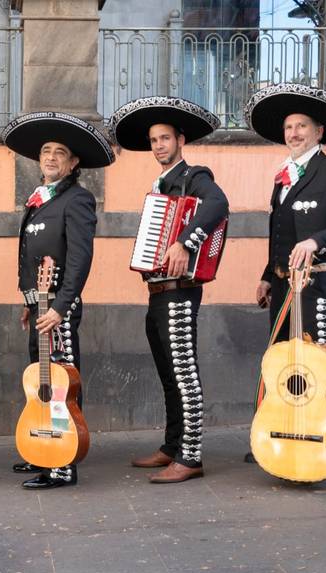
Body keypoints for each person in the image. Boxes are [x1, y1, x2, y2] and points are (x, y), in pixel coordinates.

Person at [109, 97, 230, 483]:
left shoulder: (195, 175)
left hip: (181, 290)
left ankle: (190, 456)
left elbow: (219, 204)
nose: (159, 145)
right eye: (153, 140)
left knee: (183, 373)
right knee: (167, 372)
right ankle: (171, 446)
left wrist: (185, 242)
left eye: (165, 138)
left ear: (180, 139)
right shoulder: (162, 184)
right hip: (158, 291)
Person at [243, 83, 326, 463]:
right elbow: (280, 235)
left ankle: (322, 437)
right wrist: (267, 274)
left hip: (315, 283)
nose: (293, 134)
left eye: (301, 127)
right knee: (280, 365)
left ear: (318, 132)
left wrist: (316, 242)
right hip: (281, 287)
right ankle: (278, 434)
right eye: (288, 128)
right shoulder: (283, 176)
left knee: (318, 367)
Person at [0, 111, 115, 489]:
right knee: (41, 384)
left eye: (59, 152)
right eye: (45, 151)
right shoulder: (38, 201)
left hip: (59, 308)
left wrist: (60, 307)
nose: (49, 157)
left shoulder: (77, 200)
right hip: (40, 306)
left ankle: (64, 464)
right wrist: (29, 301)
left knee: (63, 384)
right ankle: (44, 449)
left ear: (73, 162)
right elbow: (28, 255)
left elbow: (80, 259)